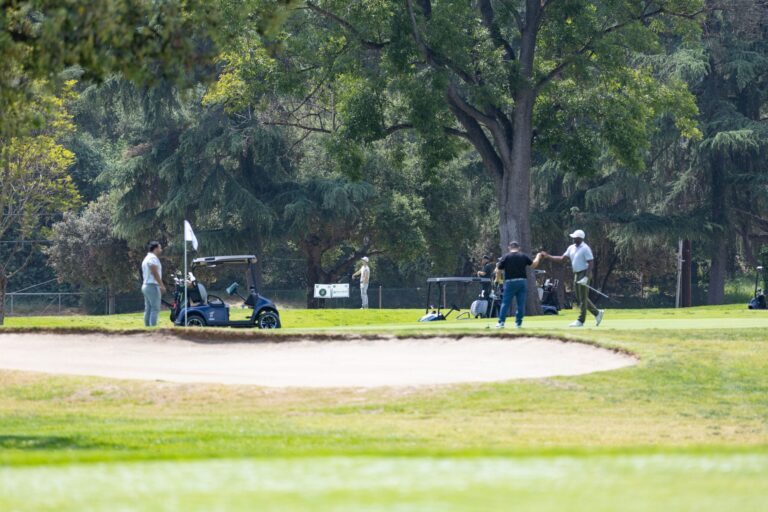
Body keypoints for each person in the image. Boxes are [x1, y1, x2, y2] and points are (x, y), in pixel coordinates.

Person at [541, 229, 605, 327]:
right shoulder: (571, 247)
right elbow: (562, 259)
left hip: (584, 273)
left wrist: (586, 277)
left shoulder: (585, 248)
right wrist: (548, 256)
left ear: (580, 238)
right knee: (580, 298)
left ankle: (581, 320)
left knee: (583, 299)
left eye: (575, 237)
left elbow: (591, 262)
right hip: (576, 274)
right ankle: (597, 313)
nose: (573, 239)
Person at [495, 242, 542, 328]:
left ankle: (501, 322)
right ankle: (518, 324)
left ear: (509, 247)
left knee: (505, 302)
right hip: (522, 282)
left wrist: (497, 280)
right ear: (519, 248)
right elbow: (534, 265)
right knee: (521, 304)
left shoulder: (506, 257)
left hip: (509, 283)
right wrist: (538, 256)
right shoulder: (523, 256)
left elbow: (498, 270)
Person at [141, 241, 166, 327]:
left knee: (148, 308)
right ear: (155, 249)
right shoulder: (152, 258)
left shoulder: (146, 258)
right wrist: (161, 285)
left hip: (146, 285)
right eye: (160, 248)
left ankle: (147, 328)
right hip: (152, 285)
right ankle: (153, 329)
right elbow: (154, 272)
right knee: (155, 308)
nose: (161, 249)